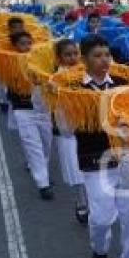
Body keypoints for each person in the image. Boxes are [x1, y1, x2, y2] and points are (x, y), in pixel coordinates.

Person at [74, 34, 129, 258]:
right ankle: (99, 247)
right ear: (83, 59)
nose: (104, 60)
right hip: (95, 160)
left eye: (107, 54)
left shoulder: (121, 85)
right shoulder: (74, 89)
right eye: (97, 55)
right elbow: (65, 125)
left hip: (126, 158)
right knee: (102, 217)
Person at [8, 31, 54, 200]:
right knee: (33, 147)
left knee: (46, 145)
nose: (27, 47)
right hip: (23, 111)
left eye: (29, 43)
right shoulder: (9, 63)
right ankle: (43, 184)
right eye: (23, 44)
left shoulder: (41, 60)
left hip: (43, 110)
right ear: (15, 46)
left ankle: (43, 171)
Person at [51, 38, 89, 222]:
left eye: (75, 53)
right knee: (75, 171)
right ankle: (81, 202)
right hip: (67, 130)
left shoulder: (87, 72)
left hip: (88, 128)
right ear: (59, 58)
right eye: (68, 54)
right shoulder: (56, 78)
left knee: (91, 169)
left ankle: (92, 203)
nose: (73, 57)